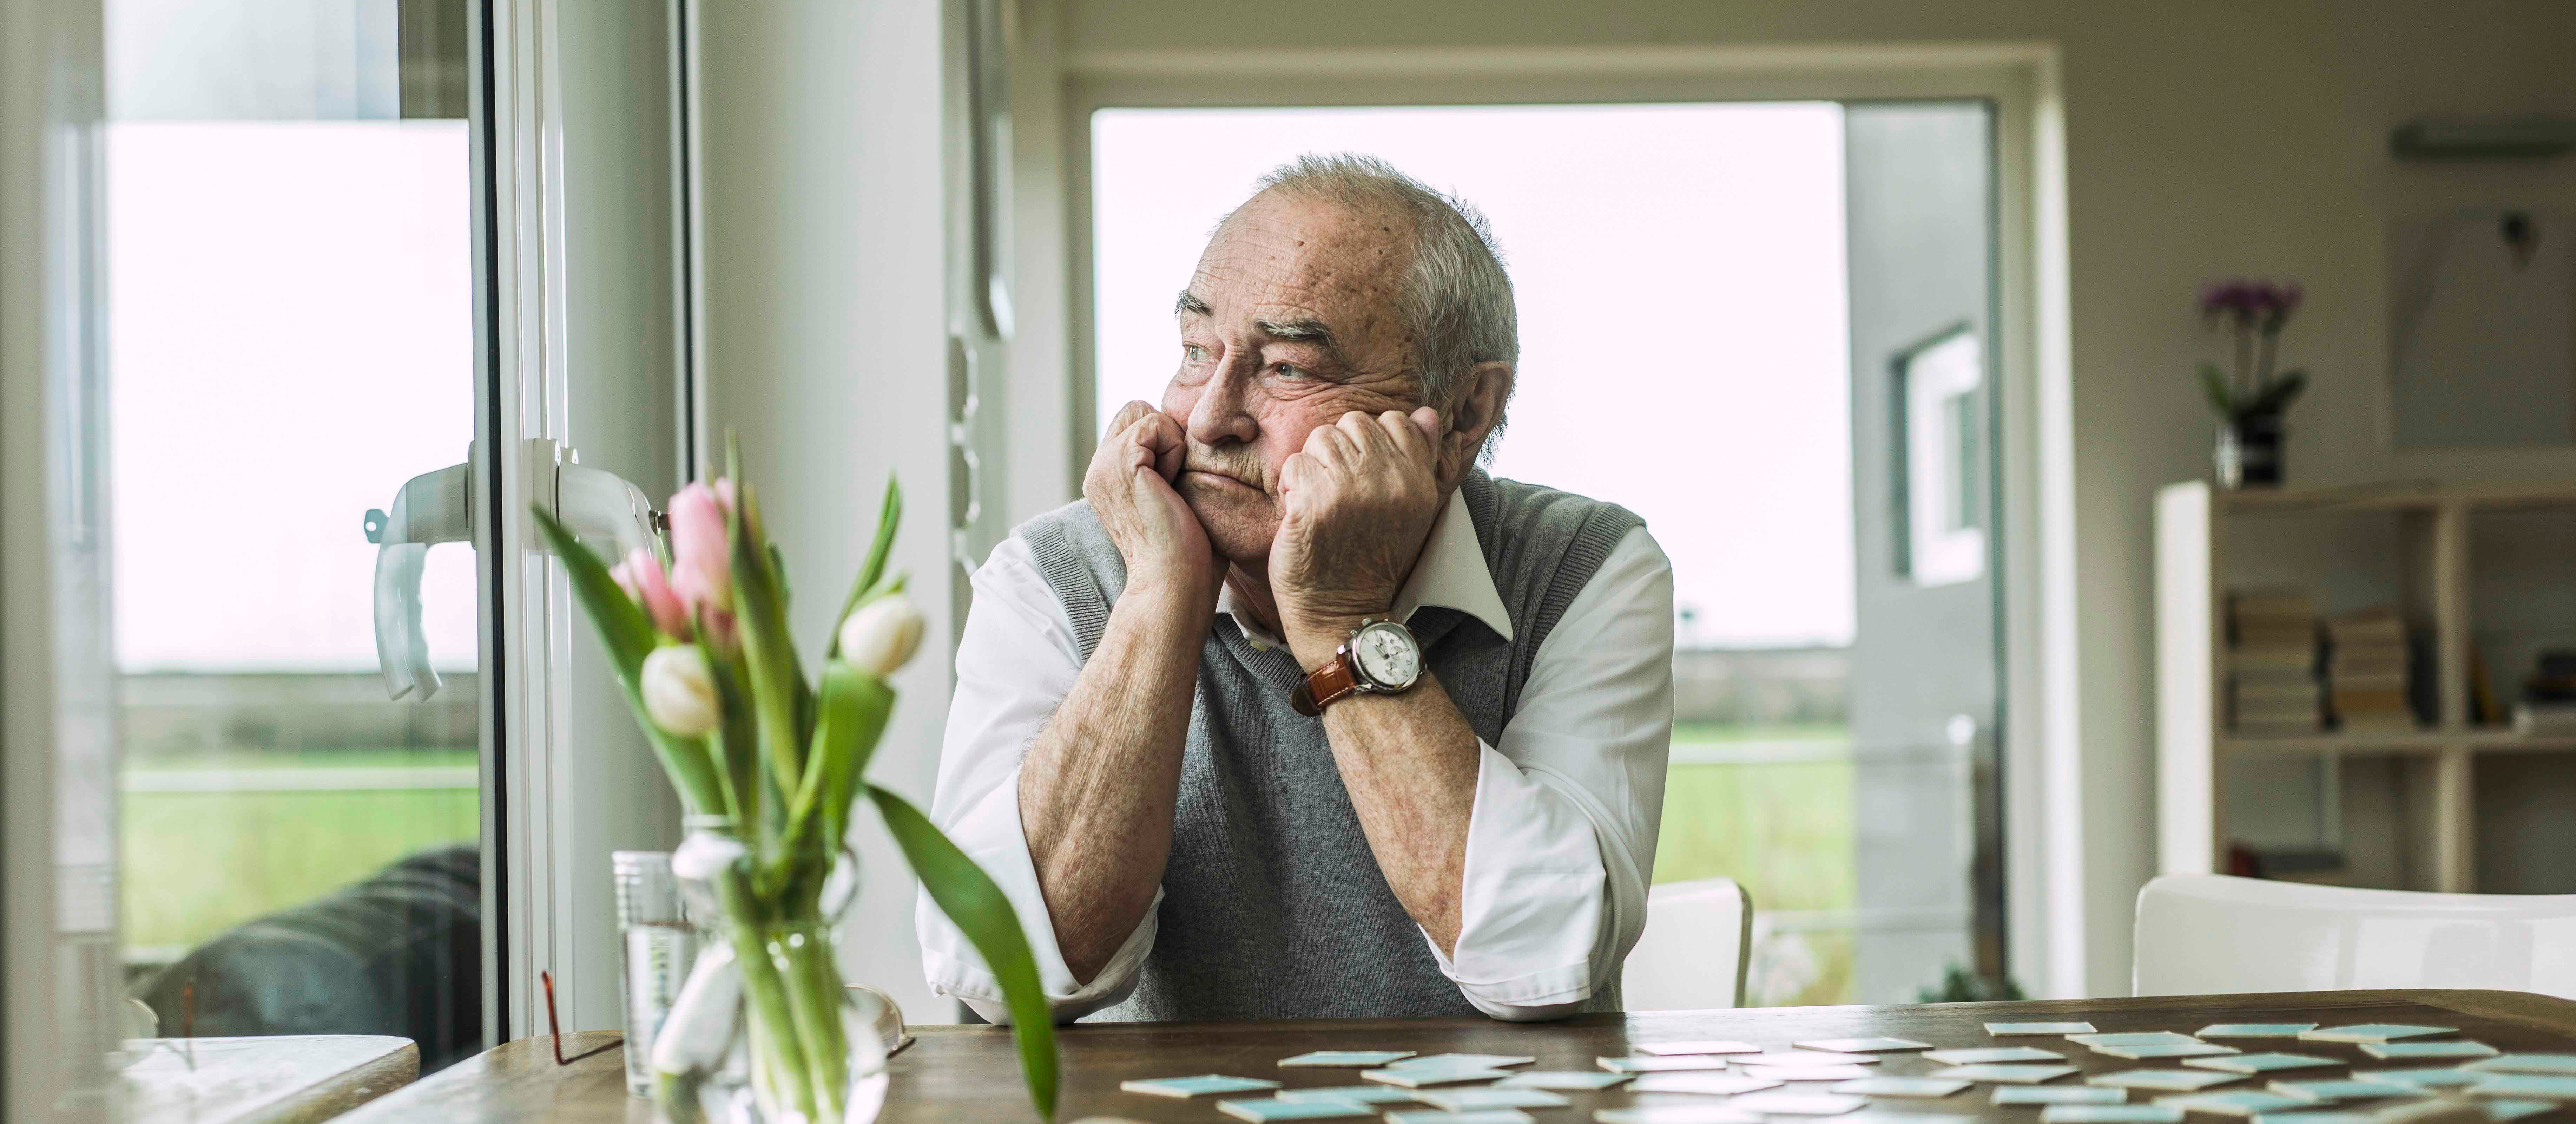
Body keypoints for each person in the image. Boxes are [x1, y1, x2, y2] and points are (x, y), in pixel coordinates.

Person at [916, 153, 1673, 1023]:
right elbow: (995, 970)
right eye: (1197, 351)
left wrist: (1345, 618)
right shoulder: (1049, 574)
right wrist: (1161, 595)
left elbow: (1544, 961)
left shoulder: (1585, 568)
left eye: (1286, 369)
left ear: (1464, 413)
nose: (1209, 418)